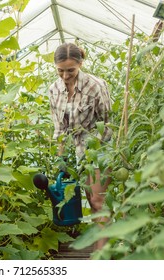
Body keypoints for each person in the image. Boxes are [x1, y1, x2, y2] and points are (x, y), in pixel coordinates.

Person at [49, 42, 113, 250]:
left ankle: (101, 254)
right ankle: (102, 246)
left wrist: (94, 150)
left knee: (97, 201)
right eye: (60, 70)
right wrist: (61, 158)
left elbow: (106, 122)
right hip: (78, 149)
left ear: (80, 64)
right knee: (89, 197)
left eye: (70, 70)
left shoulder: (95, 86)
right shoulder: (54, 89)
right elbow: (59, 128)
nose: (65, 76)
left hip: (98, 144)